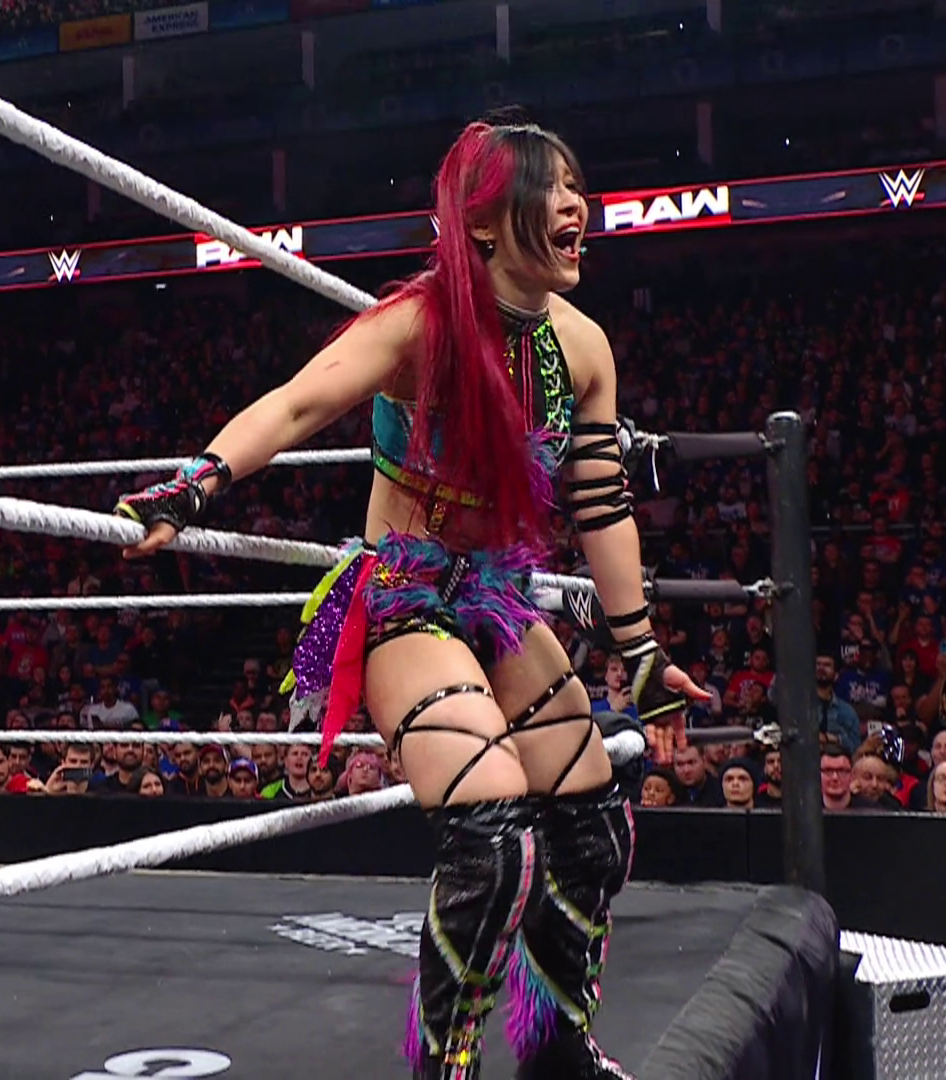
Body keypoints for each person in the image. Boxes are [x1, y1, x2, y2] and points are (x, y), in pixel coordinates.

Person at [114, 119, 704, 1080]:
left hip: (500, 597)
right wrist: (195, 485)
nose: (576, 206)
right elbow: (300, 402)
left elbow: (600, 501)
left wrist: (639, 650)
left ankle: (555, 1045)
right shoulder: (421, 325)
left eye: (576, 186)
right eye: (551, 189)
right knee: (494, 837)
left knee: (593, 820)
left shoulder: (583, 347)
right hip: (405, 594)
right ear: (485, 223)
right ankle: (445, 1067)